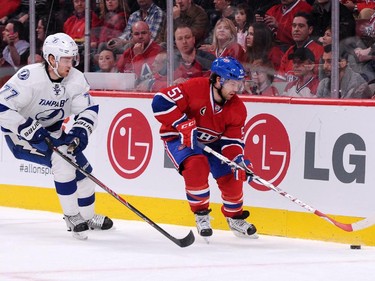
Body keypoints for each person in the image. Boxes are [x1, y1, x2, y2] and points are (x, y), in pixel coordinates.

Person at [0, 33, 113, 240]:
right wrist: (27, 128)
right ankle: (72, 216)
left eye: (73, 59)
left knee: (85, 174)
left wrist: (80, 131)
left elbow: (89, 110)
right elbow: (2, 108)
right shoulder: (29, 77)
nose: (71, 64)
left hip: (53, 132)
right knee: (62, 161)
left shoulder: (76, 79)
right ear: (51, 59)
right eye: (66, 59)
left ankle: (87, 217)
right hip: (20, 137)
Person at [151, 56, 258, 240]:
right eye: (232, 83)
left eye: (238, 84)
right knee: (196, 165)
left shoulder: (238, 108)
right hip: (180, 137)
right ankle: (201, 215)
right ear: (218, 80)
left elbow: (232, 142)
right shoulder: (195, 88)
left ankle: (235, 218)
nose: (236, 89)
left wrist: (237, 160)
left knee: (232, 175)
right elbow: (160, 102)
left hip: (213, 142)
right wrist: (181, 122)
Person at [277, 12, 324, 82]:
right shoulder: (289, 51)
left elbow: (318, 79)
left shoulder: (319, 51)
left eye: (301, 26)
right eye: (294, 26)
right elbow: (280, 78)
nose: (296, 29)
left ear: (310, 29)